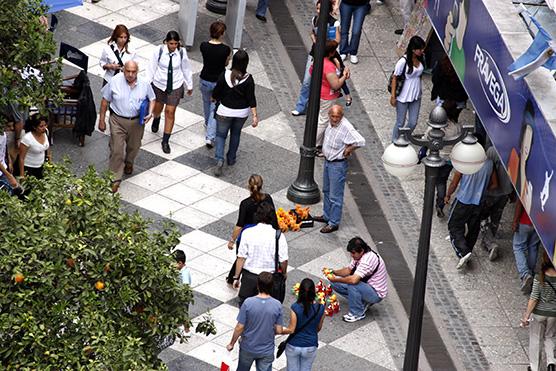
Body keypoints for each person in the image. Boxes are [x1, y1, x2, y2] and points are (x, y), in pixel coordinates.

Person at [99, 61, 156, 193]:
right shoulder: (115, 81)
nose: (130, 74)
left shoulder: (144, 83)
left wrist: (150, 112)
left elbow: (152, 98)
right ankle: (115, 178)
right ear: (123, 70)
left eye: (133, 72)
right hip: (117, 120)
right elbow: (104, 100)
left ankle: (129, 161)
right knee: (116, 149)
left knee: (134, 146)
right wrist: (101, 119)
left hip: (136, 122)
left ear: (137, 71)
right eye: (128, 71)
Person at [313, 105, 365, 233]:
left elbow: (361, 141)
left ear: (342, 117)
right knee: (326, 190)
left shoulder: (346, 127)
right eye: (333, 116)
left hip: (337, 164)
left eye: (338, 117)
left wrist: (349, 149)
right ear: (329, 115)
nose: (335, 119)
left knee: (335, 195)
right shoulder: (330, 123)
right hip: (328, 161)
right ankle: (326, 215)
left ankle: (333, 222)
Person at [444, 150, 497, 269]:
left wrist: (447, 195)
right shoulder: (489, 164)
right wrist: (482, 189)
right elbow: (495, 184)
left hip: (463, 200)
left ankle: (463, 251)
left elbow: (454, 182)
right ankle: (467, 250)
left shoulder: (465, 163)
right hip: (479, 202)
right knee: (473, 228)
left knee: (454, 225)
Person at [212, 49, 259, 177]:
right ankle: (231, 158)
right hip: (241, 113)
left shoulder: (225, 74)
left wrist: (214, 98)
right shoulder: (249, 79)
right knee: (236, 134)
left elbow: (216, 92)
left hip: (224, 111)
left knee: (221, 136)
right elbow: (251, 98)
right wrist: (255, 115)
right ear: (246, 63)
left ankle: (219, 159)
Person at [232, 203, 288, 307]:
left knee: (246, 308)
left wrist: (236, 277)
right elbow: (283, 260)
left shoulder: (247, 233)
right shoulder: (279, 236)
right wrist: (284, 273)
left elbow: (241, 257)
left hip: (249, 279)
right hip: (269, 279)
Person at [226, 174, 278, 284]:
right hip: (266, 232)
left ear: (248, 186)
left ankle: (235, 277)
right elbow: (274, 218)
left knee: (242, 255)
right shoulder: (268, 198)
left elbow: (239, 225)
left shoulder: (245, 204)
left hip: (248, 233)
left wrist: (232, 240)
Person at [292, 0, 341, 117]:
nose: (319, 11)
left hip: (327, 56)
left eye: (321, 9)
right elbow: (312, 32)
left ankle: (321, 107)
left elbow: (337, 40)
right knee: (307, 82)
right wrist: (316, 41)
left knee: (324, 82)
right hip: (314, 54)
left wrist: (325, 45)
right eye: (317, 9)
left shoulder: (334, 23)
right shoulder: (315, 20)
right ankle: (301, 106)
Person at [226, 272, 283, 370]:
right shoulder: (277, 305)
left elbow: (240, 327)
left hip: (248, 346)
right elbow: (279, 330)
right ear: (272, 286)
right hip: (267, 349)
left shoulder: (248, 303)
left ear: (257, 285)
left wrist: (232, 343)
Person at [147, 31, 193, 154]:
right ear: (166, 42)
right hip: (159, 84)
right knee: (157, 108)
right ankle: (156, 117)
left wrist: (189, 84)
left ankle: (165, 140)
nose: (173, 46)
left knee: (170, 112)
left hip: (176, 85)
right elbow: (152, 67)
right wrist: (147, 84)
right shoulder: (159, 51)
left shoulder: (181, 53)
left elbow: (186, 68)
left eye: (175, 43)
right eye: (171, 43)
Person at [327, 237, 388, 323]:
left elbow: (353, 280)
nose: (351, 255)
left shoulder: (367, 260)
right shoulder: (358, 256)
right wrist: (334, 272)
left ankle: (357, 313)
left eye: (353, 253)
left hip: (376, 293)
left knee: (352, 285)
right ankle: (362, 302)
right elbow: (348, 270)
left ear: (362, 251)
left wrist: (337, 280)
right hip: (366, 286)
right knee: (334, 283)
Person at [520, 252, 556, 371]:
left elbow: (534, 298)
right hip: (553, 314)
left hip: (539, 314)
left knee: (536, 339)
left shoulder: (539, 277)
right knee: (549, 337)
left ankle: (535, 367)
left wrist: (526, 316)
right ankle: (551, 363)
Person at [425, 101, 461, 218]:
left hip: (435, 157)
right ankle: (440, 203)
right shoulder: (456, 127)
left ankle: (428, 200)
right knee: (442, 181)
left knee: (430, 179)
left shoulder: (436, 126)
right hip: (448, 160)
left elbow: (426, 138)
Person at [478, 146, 515, 261]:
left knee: (482, 217)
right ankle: (488, 241)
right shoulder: (515, 152)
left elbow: (487, 169)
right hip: (505, 192)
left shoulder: (493, 151)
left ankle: (490, 244)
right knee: (496, 218)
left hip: (492, 192)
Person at [199, 21, 231, 149]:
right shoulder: (225, 49)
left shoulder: (203, 46)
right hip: (218, 81)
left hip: (205, 79)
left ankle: (208, 125)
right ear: (222, 33)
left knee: (206, 103)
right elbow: (225, 64)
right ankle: (210, 136)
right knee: (215, 108)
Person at [282, 278, 326, 371]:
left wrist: (278, 329)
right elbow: (318, 328)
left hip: (293, 345)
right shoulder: (320, 308)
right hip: (310, 345)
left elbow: (291, 329)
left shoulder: (295, 307)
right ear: (314, 291)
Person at [390, 35, 426, 141]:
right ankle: (395, 140)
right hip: (403, 94)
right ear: (413, 49)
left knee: (413, 122)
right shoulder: (403, 62)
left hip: (416, 94)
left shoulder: (421, 58)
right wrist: (393, 96)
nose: (422, 51)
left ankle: (404, 138)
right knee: (400, 122)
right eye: (420, 49)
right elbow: (395, 78)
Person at [315, 40, 350, 148]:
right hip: (327, 96)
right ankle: (314, 144)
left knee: (321, 117)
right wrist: (344, 76)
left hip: (320, 92)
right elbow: (335, 85)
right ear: (330, 52)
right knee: (324, 120)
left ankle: (318, 142)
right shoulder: (329, 66)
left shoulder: (319, 60)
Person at [513, 200, 540, 295]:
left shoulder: (530, 185)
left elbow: (520, 203)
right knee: (533, 247)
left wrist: (515, 220)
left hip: (524, 220)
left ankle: (525, 274)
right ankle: (530, 274)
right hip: (539, 223)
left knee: (518, 247)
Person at [18, 114, 51, 180]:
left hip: (41, 166)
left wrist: (49, 165)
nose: (44, 128)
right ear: (34, 127)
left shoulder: (46, 132)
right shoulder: (27, 138)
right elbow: (21, 158)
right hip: (29, 168)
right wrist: (22, 175)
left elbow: (48, 150)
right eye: (41, 126)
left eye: (45, 125)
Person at [0, 122, 21, 195]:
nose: (11, 129)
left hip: (3, 168)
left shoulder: (4, 134)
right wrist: (9, 176)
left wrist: (9, 161)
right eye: (8, 126)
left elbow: (4, 149)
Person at [175, 249, 192, 337]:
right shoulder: (181, 270)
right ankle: (179, 328)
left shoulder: (184, 273)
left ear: (180, 263)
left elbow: (185, 286)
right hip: (180, 296)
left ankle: (186, 330)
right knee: (180, 313)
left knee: (183, 313)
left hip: (183, 297)